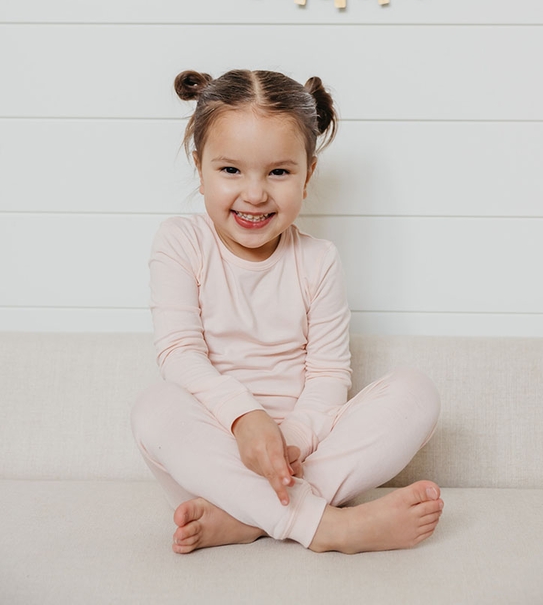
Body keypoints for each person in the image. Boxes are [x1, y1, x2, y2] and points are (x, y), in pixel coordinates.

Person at [131, 69, 443, 555]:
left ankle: (249, 520)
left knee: (416, 393)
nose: (255, 194)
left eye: (278, 172)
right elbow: (179, 353)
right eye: (230, 170)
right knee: (155, 408)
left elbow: (327, 376)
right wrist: (245, 419)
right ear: (199, 166)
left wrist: (290, 443)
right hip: (216, 461)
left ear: (308, 174)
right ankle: (326, 526)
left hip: (304, 457)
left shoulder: (318, 261)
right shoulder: (180, 242)